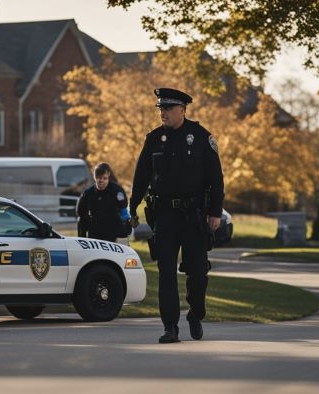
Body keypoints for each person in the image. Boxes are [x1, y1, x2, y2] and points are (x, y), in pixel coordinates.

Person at [129, 88, 225, 344]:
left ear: (182, 110)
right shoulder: (153, 139)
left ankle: (196, 313)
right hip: (165, 217)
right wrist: (132, 206)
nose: (163, 113)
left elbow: (216, 179)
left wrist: (215, 212)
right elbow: (141, 176)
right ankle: (170, 327)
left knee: (197, 273)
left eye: (168, 109)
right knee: (166, 273)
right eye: (160, 108)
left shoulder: (202, 137)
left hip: (194, 217)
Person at [76, 162, 131, 242]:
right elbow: (80, 212)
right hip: (95, 230)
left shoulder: (117, 191)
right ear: (95, 177)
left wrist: (125, 231)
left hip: (113, 229)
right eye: (99, 178)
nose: (101, 181)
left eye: (104, 178)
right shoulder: (88, 193)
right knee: (81, 220)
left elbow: (124, 212)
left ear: (108, 176)